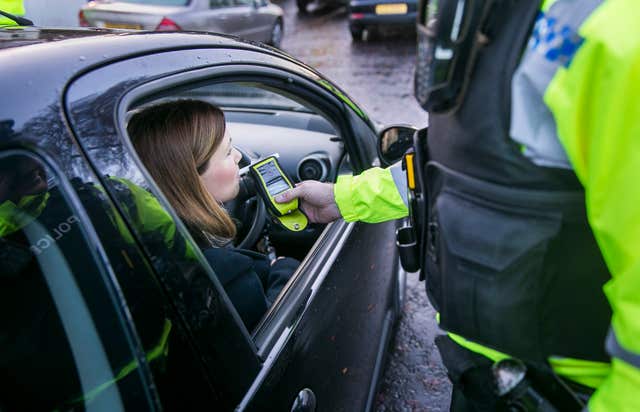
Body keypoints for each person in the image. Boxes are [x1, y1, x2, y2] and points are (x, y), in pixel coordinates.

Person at [275, 0, 640, 410]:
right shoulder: (476, 15)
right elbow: (454, 166)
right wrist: (341, 198)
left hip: (570, 393)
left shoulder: (616, 29)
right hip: (485, 376)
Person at [128, 99, 298, 331]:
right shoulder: (223, 273)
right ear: (190, 178)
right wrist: (285, 269)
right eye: (228, 152)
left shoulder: (136, 242)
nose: (238, 156)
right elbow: (270, 326)